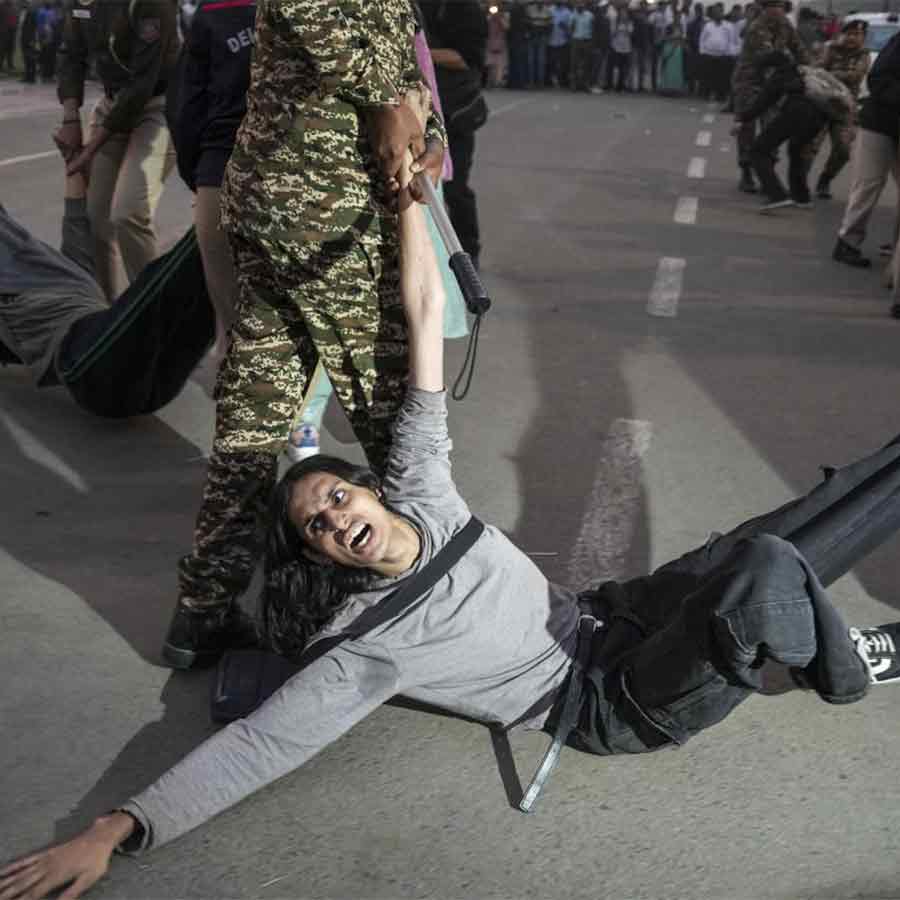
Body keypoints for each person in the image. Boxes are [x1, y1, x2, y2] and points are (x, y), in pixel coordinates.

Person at [4, 145, 900, 900]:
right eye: (316, 525)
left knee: (799, 519)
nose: (333, 518)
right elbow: (251, 751)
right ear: (322, 555)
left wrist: (410, 202)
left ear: (374, 490)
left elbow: (426, 314)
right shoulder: (363, 646)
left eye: (336, 496)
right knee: (766, 571)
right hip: (611, 700)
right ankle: (851, 665)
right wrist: (116, 830)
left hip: (618, 612)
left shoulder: (425, 489)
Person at [162, 0, 449, 672]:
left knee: (255, 419)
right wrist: (389, 102)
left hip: (291, 205)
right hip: (320, 207)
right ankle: (430, 590)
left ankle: (202, 610)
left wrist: (424, 122)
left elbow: (397, 49)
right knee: (391, 408)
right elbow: (317, 18)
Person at [0, 136, 213, 419]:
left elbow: (77, 215)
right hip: (90, 366)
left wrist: (74, 158)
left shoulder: (69, 263)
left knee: (216, 275)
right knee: (177, 273)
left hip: (151, 376)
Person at [55, 0, 180, 300]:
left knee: (129, 214)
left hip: (158, 106)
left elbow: (142, 84)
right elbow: (71, 55)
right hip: (113, 104)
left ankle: (153, 313)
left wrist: (90, 148)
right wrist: (70, 118)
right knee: (95, 220)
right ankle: (109, 316)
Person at [166, 0, 257, 364]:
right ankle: (300, 417)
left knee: (232, 326)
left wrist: (199, 178)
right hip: (301, 177)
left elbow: (185, 108)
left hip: (220, 171)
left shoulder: (214, 11)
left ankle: (236, 413)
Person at [420, 0, 488, 270]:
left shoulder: (466, 9)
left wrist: (421, 52)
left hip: (456, 112)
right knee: (419, 190)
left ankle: (469, 253)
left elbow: (465, 58)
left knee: (455, 188)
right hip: (423, 111)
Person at [832, 29, 900, 269]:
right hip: (879, 124)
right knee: (869, 183)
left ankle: (896, 248)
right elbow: (878, 79)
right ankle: (847, 241)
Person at [736, 50, 829, 212]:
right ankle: (802, 198)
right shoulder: (802, 72)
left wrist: (741, 119)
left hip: (796, 113)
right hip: (818, 118)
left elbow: (762, 103)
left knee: (758, 151)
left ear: (770, 68)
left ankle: (777, 195)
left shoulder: (779, 76)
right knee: (796, 152)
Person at [731, 0, 808, 194]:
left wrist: (811, 68)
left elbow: (800, 49)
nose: (778, 10)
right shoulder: (756, 28)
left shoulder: (785, 25)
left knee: (772, 128)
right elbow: (772, 56)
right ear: (765, 9)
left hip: (773, 84)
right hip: (749, 83)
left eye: (781, 6)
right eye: (773, 6)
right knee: (746, 129)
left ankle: (767, 173)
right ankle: (747, 172)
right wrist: (793, 69)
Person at [808, 19, 870, 200]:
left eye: (857, 35)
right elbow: (817, 68)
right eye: (849, 34)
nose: (852, 38)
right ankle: (799, 183)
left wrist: (830, 74)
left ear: (863, 38)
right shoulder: (831, 49)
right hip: (822, 104)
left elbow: (856, 75)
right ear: (843, 34)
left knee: (843, 150)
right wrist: (825, 71)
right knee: (809, 147)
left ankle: (825, 180)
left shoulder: (864, 55)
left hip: (845, 108)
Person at [658, 23, 687, 95]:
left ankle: (676, 89)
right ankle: (667, 89)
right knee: (669, 69)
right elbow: (665, 38)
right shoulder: (667, 38)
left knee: (677, 69)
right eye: (676, 30)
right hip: (669, 50)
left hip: (677, 52)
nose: (678, 32)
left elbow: (683, 43)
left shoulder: (679, 40)